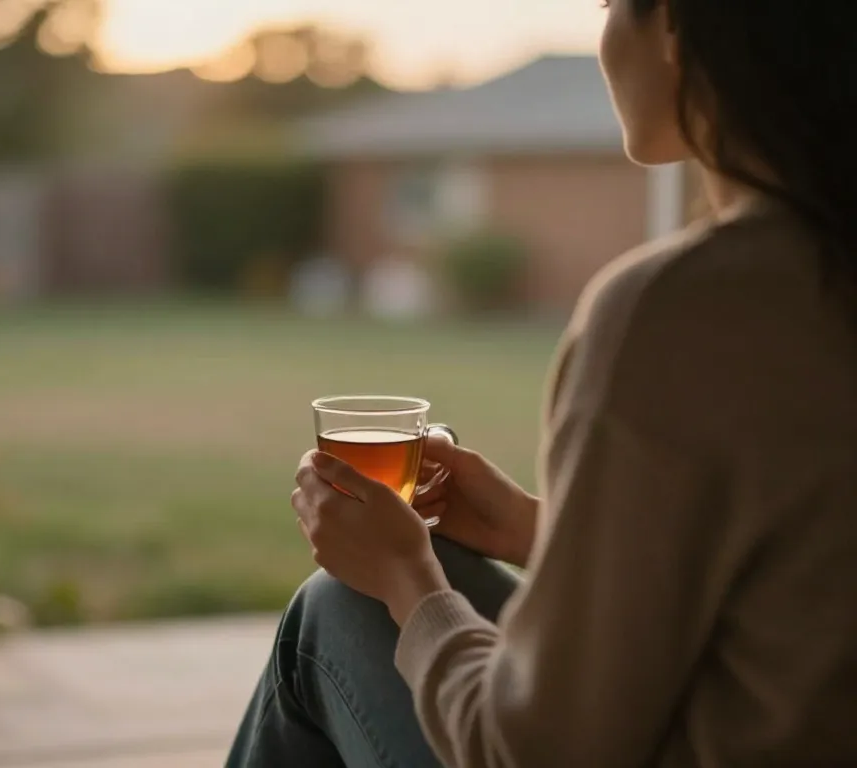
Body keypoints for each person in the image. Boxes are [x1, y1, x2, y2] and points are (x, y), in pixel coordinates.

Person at [227, 0, 857, 764]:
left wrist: (404, 578)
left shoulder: (679, 310)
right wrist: (535, 532)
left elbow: (534, 752)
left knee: (337, 610)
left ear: (675, 29)